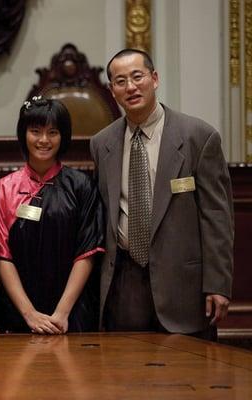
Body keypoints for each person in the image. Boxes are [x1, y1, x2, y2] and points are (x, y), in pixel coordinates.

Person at [90, 48, 234, 339]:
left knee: (190, 377)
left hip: (185, 287)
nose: (130, 87)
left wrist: (218, 284)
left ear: (154, 79)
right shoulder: (101, 143)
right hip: (125, 284)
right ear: (112, 91)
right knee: (126, 377)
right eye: (120, 81)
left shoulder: (198, 137)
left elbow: (217, 216)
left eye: (137, 76)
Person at [0, 97, 104, 334]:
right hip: (18, 310)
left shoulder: (81, 186)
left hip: (73, 310)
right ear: (24, 134)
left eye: (52, 132)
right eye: (35, 131)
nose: (43, 140)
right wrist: (29, 314)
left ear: (63, 137)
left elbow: (87, 252)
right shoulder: (3, 188)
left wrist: (62, 313)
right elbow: (3, 256)